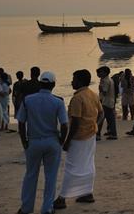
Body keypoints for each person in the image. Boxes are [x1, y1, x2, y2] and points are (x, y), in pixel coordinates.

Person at [16, 71, 68, 214]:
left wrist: (24, 142)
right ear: (53, 85)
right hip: (52, 141)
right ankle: (47, 208)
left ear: (40, 83)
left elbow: (21, 123)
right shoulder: (58, 101)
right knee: (51, 177)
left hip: (33, 141)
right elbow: (64, 124)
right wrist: (61, 141)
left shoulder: (28, 100)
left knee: (31, 175)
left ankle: (26, 208)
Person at [54, 69, 103, 210]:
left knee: (71, 167)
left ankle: (62, 198)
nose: (72, 81)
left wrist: (67, 141)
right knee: (88, 164)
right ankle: (88, 193)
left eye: (74, 79)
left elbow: (75, 122)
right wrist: (95, 126)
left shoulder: (78, 98)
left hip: (78, 137)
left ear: (80, 81)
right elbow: (101, 113)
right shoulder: (93, 94)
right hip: (91, 136)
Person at [96, 66, 117, 141]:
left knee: (101, 118)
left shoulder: (105, 81)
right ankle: (112, 133)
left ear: (105, 72)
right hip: (109, 101)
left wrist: (100, 88)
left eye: (100, 72)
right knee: (110, 118)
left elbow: (104, 92)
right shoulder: (108, 79)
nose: (98, 74)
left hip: (106, 102)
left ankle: (98, 134)